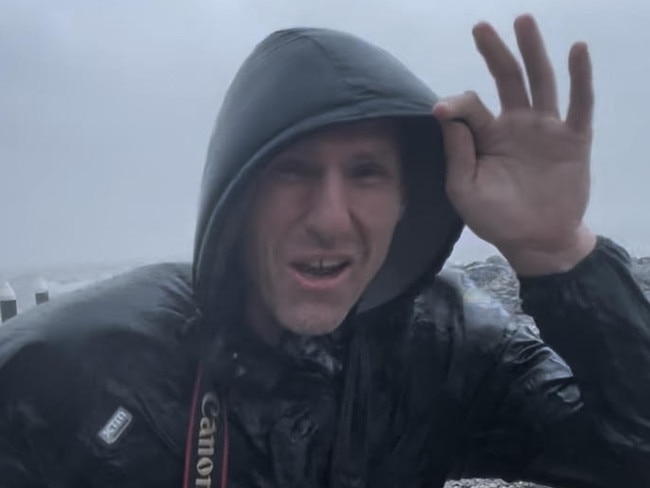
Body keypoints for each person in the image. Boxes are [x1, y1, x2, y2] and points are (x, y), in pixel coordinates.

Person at [0, 13, 648, 488]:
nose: (330, 218)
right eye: (293, 171)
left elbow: (630, 454)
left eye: (366, 173)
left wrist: (559, 251)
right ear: (237, 196)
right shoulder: (75, 367)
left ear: (407, 201)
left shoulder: (451, 351)